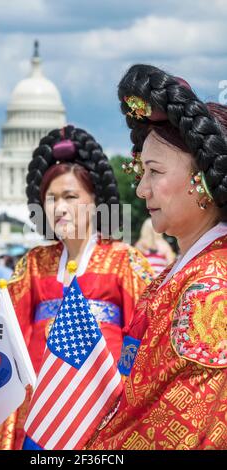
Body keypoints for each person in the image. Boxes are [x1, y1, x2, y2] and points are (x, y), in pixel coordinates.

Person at [0, 125, 153, 450]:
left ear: (95, 200)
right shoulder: (32, 264)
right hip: (38, 411)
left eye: (71, 197)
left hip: (104, 410)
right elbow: (10, 340)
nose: (60, 208)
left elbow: (142, 339)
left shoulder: (124, 261)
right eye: (51, 198)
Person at [89, 65, 227, 450]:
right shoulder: (188, 269)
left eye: (153, 172)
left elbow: (178, 430)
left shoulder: (211, 288)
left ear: (202, 178)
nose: (142, 189)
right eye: (140, 171)